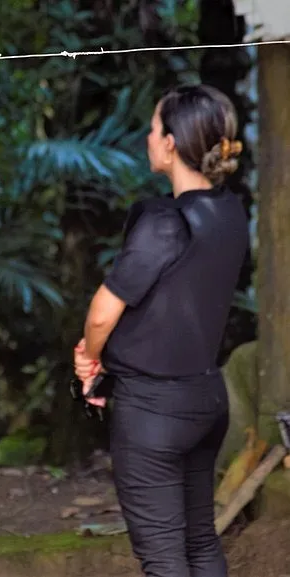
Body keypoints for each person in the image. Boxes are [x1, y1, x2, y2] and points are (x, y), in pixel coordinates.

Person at [74, 84, 248, 577]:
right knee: (200, 543)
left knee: (164, 560)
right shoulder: (231, 214)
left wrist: (88, 356)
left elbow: (104, 311)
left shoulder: (164, 223)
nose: (148, 138)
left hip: (154, 412)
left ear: (171, 143)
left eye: (153, 129)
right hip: (207, 400)